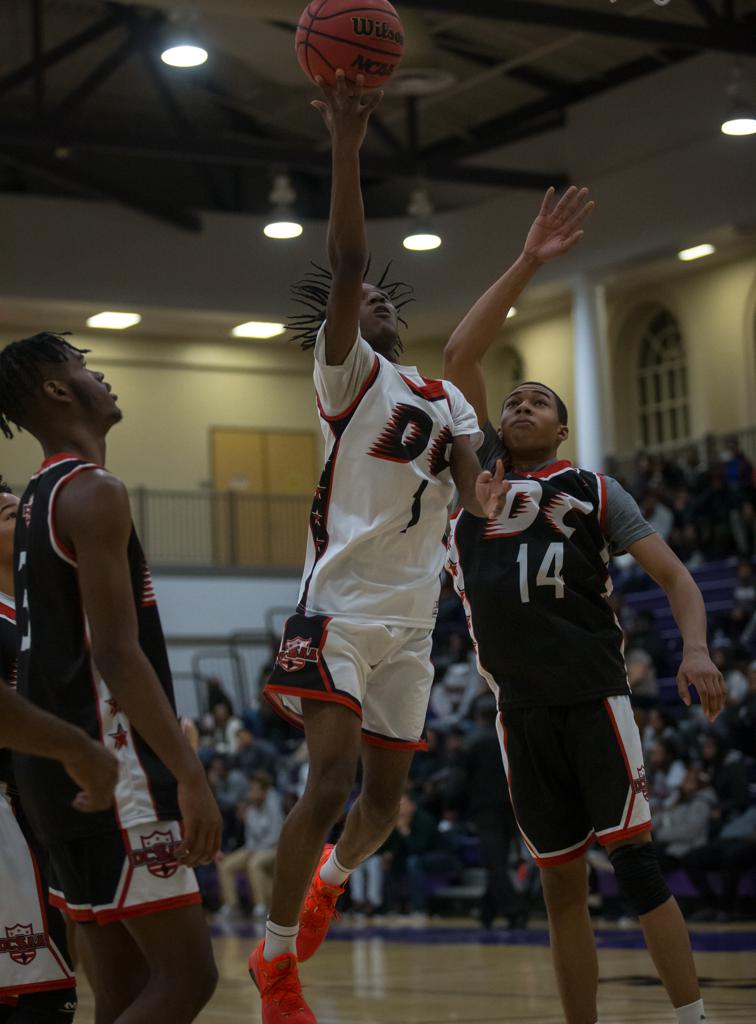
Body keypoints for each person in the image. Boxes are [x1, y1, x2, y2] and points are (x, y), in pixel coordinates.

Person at [248, 72, 507, 1024]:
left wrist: (487, 489)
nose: (381, 301)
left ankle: (330, 881)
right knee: (327, 781)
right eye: (369, 298)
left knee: (381, 811)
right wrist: (349, 145)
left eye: (396, 299)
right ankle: (275, 967)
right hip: (340, 610)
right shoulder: (346, 373)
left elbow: (474, 489)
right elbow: (350, 259)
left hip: (413, 621)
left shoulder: (445, 400)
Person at [442, 185, 726, 1024]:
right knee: (559, 885)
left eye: (539, 402)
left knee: (635, 871)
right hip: (519, 711)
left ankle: (693, 1018)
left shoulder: (592, 489)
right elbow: (460, 353)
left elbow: (676, 577)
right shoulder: (472, 482)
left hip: (593, 696)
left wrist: (697, 649)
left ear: (561, 432)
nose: (519, 404)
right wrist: (528, 260)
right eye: (513, 399)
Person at [0, 334, 222, 1023]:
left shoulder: (35, 496)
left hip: (56, 774)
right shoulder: (93, 491)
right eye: (83, 367)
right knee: (188, 979)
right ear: (60, 391)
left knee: (121, 993)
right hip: (112, 763)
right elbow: (118, 655)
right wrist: (188, 773)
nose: (101, 377)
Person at [217, 773, 283, 919]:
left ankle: (261, 906)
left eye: (254, 790)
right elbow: (250, 836)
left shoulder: (274, 804)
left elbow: (275, 835)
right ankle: (232, 905)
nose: (250, 793)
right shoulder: (250, 807)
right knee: (226, 864)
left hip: (274, 848)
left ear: (264, 792)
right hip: (254, 848)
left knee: (254, 864)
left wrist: (256, 851)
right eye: (250, 789)